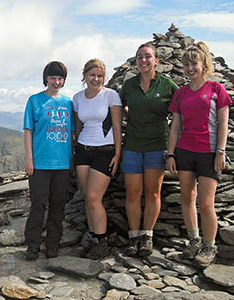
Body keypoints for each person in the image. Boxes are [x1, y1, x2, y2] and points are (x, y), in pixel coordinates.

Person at [167, 41, 231, 267]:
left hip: (209, 152)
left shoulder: (216, 90)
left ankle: (209, 245)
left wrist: (220, 151)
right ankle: (193, 240)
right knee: (187, 198)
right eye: (186, 65)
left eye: (194, 63)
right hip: (185, 151)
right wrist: (171, 154)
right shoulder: (181, 93)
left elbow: (224, 124)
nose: (190, 68)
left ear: (204, 64)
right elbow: (174, 126)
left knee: (205, 203)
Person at [119, 43, 178, 257]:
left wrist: (172, 133)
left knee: (153, 193)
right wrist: (130, 116)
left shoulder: (167, 84)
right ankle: (133, 235)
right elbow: (120, 108)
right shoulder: (129, 85)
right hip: (133, 145)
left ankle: (147, 236)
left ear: (156, 61)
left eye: (147, 56)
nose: (143, 60)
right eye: (139, 57)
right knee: (133, 193)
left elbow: (180, 111)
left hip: (157, 145)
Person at [23, 61, 74, 260]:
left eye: (60, 78)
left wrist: (72, 160)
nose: (56, 81)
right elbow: (28, 131)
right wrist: (29, 159)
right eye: (53, 77)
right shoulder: (35, 101)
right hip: (40, 164)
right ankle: (33, 245)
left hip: (62, 164)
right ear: (46, 78)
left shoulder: (68, 103)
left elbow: (71, 134)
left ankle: (53, 244)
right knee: (38, 205)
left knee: (58, 206)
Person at [73, 58, 122, 260]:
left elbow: (117, 126)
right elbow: (77, 127)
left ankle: (102, 241)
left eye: (100, 76)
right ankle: (93, 237)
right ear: (85, 76)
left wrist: (118, 154)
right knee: (87, 196)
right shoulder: (77, 98)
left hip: (105, 150)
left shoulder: (111, 95)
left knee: (94, 197)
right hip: (83, 149)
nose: (96, 79)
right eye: (92, 75)